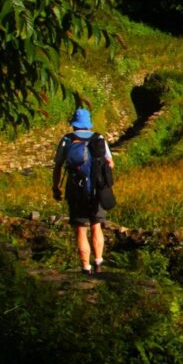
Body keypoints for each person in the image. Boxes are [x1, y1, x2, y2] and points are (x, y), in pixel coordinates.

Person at [52, 108, 115, 275]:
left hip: (76, 189)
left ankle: (85, 267)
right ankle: (98, 263)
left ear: (74, 124)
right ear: (88, 123)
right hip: (97, 188)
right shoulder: (99, 138)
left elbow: (58, 165)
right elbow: (110, 163)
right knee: (96, 226)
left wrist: (55, 187)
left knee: (81, 228)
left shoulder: (67, 139)